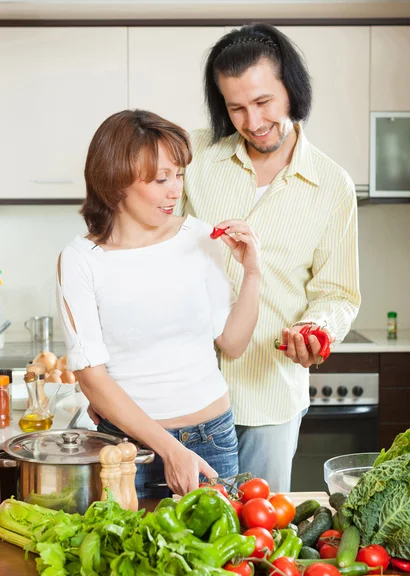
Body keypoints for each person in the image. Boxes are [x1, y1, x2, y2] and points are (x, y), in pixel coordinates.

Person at [178, 23, 361, 492]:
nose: (253, 121)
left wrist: (315, 329)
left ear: (291, 91)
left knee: (259, 542)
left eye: (263, 103)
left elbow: (336, 292)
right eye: (236, 107)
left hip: (270, 395)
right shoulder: (192, 155)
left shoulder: (331, 184)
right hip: (186, 395)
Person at [57, 109, 261, 498]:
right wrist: (170, 449)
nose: (175, 190)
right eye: (161, 179)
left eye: (179, 175)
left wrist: (253, 274)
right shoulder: (80, 260)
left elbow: (232, 343)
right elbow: (91, 376)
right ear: (115, 183)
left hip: (213, 440)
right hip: (126, 452)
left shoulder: (199, 237)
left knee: (217, 559)